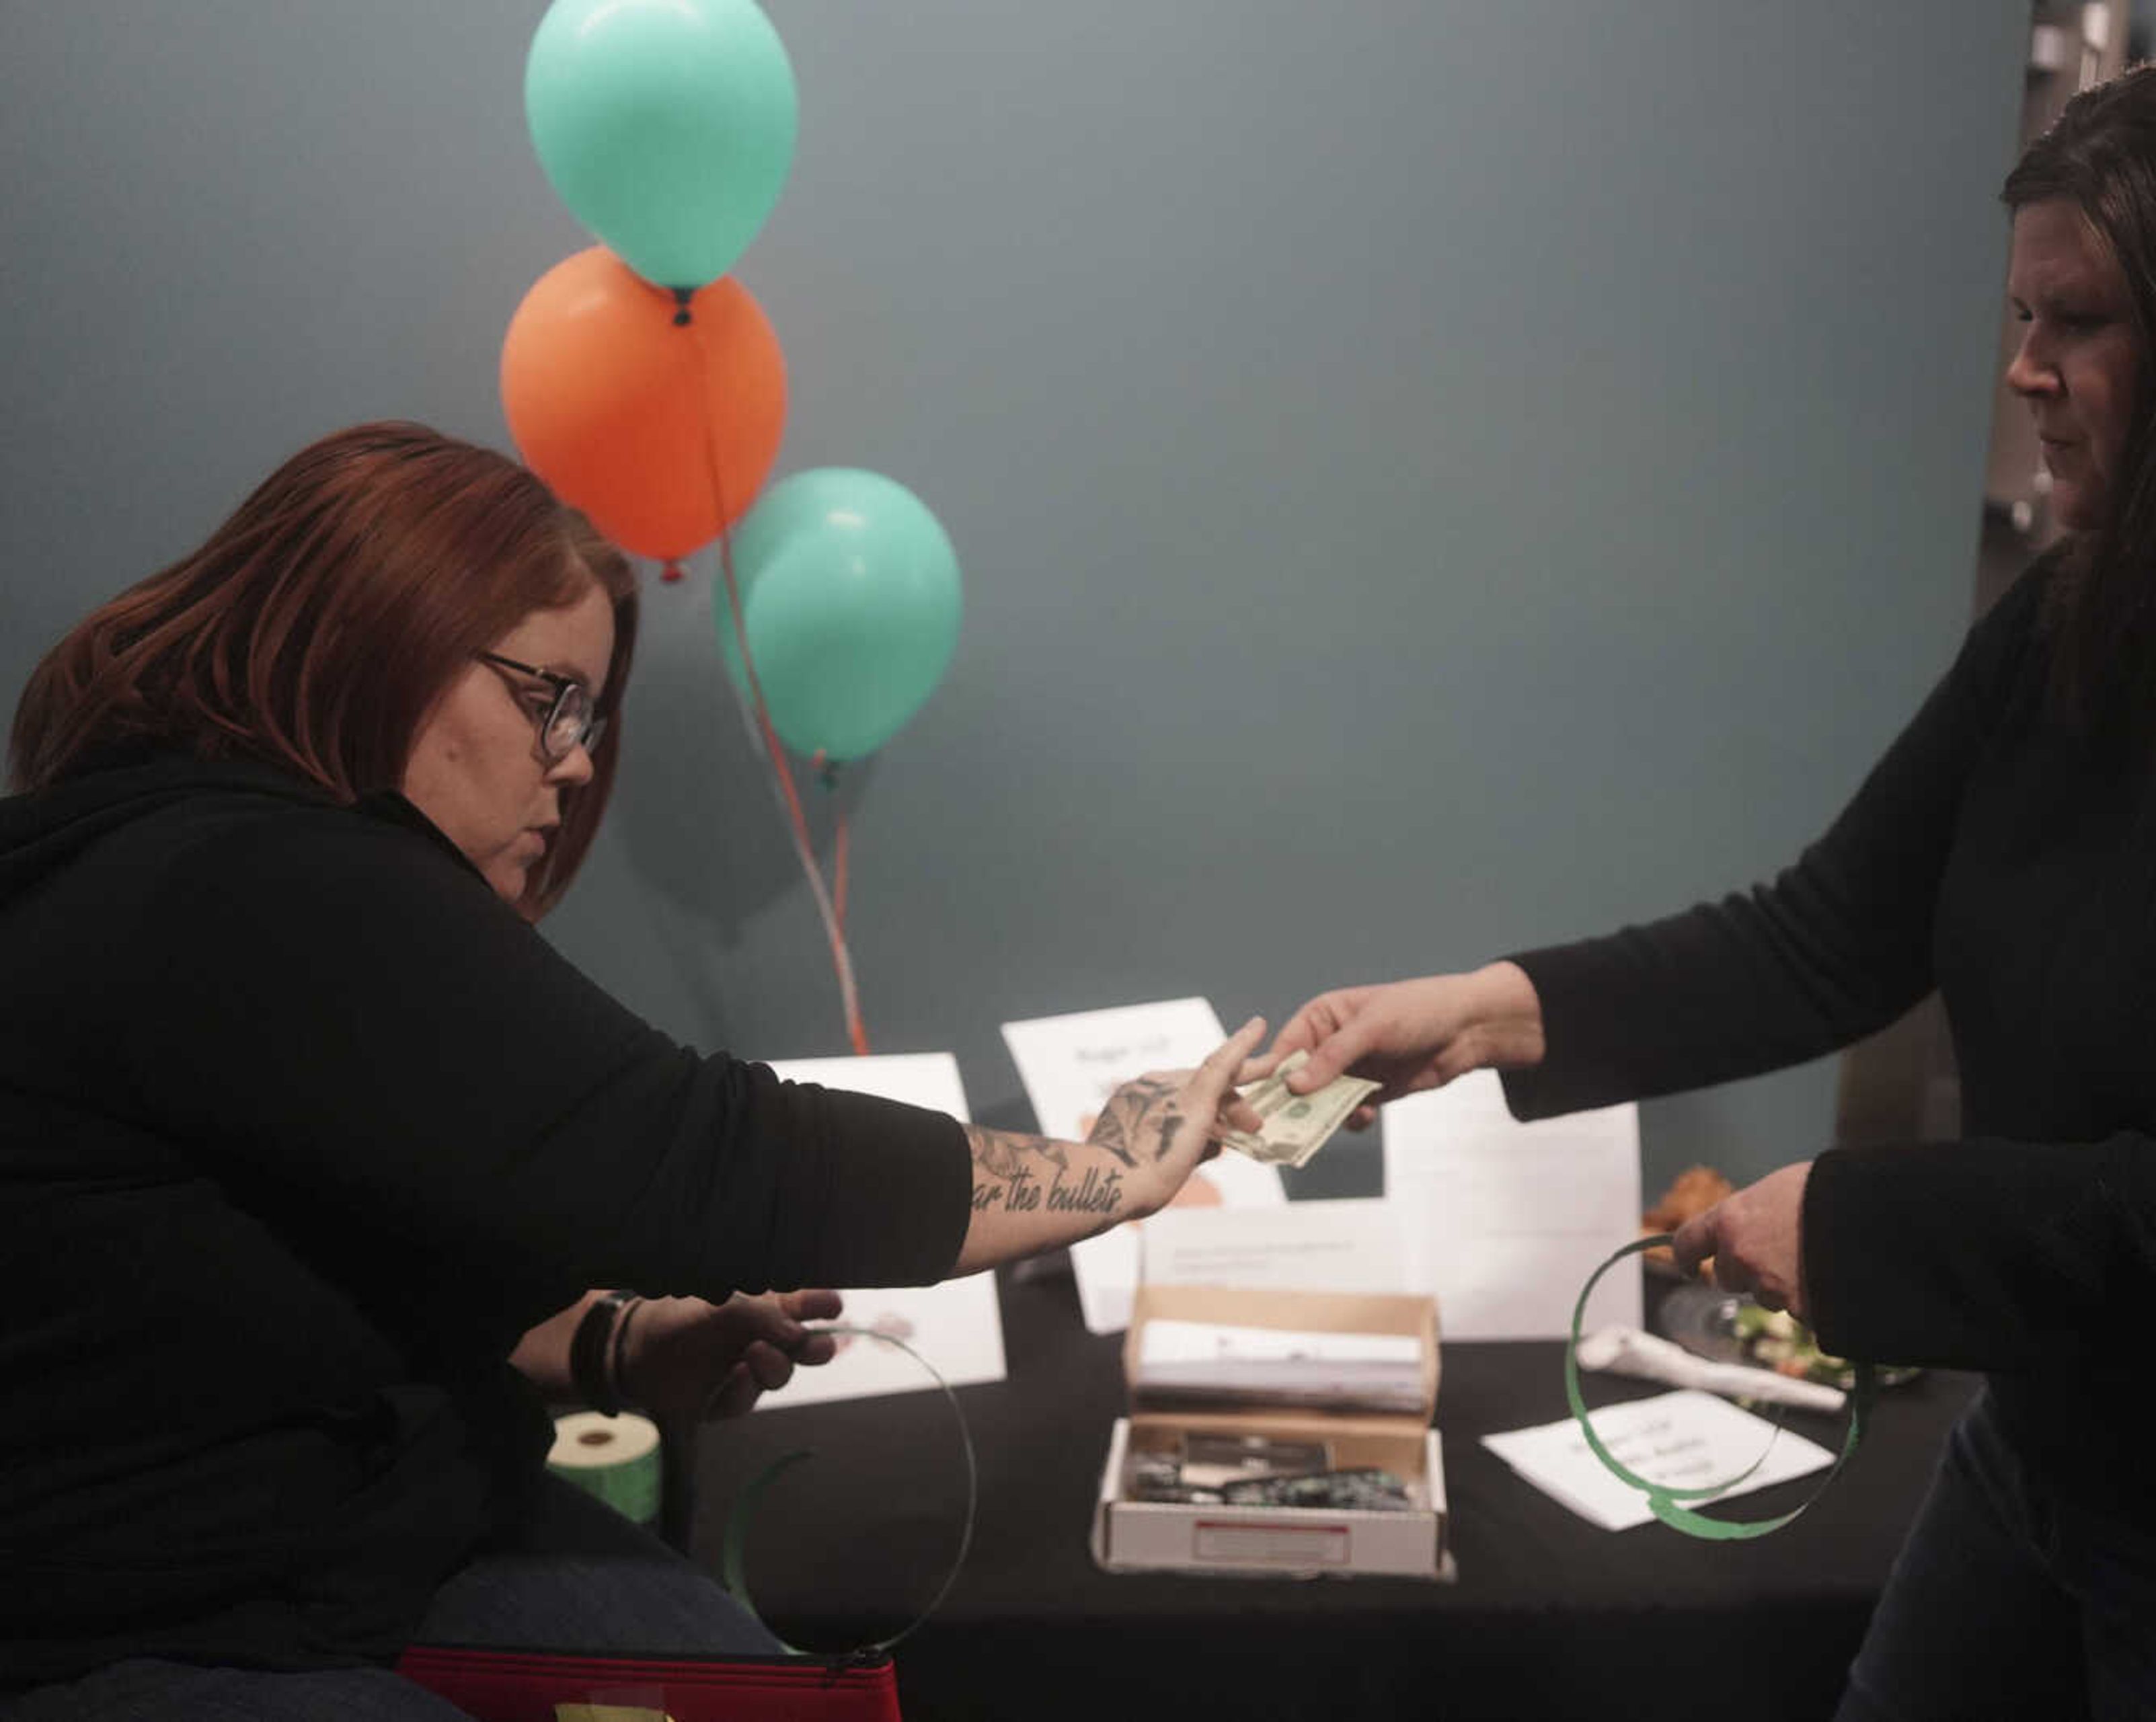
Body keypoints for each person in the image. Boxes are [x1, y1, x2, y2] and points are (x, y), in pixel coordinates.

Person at [1252, 45, 2156, 1718]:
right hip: (2055, 1454)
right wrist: (1487, 1014)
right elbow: (1830, 932)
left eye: (2078, 321)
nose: (2024, 371)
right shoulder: (2091, 611)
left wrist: (1877, 1228)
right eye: (2024, 319)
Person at [0, 420, 1266, 1719]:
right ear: (374, 633)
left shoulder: (196, 867)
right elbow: (698, 1154)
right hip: (145, 1628)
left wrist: (612, 1344)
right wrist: (1110, 1170)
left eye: (588, 712)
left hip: (360, 1555)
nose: (578, 757)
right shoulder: (252, 880)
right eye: (543, 696)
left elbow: (283, 1274)